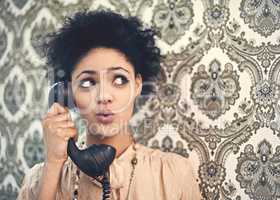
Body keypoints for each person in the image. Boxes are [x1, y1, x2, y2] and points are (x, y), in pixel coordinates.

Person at [17, 10, 203, 200]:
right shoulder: (38, 181)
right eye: (88, 82)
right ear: (68, 92)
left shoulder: (174, 175)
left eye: (120, 79)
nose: (104, 97)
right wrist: (54, 164)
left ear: (137, 85)